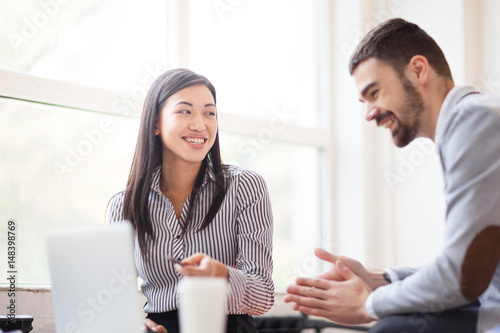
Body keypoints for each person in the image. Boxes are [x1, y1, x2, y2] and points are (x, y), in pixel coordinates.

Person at [285, 18, 500, 333]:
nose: (369, 113)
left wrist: (368, 303)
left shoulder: (474, 121)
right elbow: (475, 263)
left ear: (418, 70)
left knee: (392, 328)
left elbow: (463, 276)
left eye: (374, 93)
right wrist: (382, 279)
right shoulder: (471, 122)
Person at [106, 69, 274, 333]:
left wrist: (221, 275)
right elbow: (113, 301)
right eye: (185, 111)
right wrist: (138, 326)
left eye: (209, 113)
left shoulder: (245, 187)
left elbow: (263, 296)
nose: (200, 124)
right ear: (155, 123)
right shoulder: (123, 205)